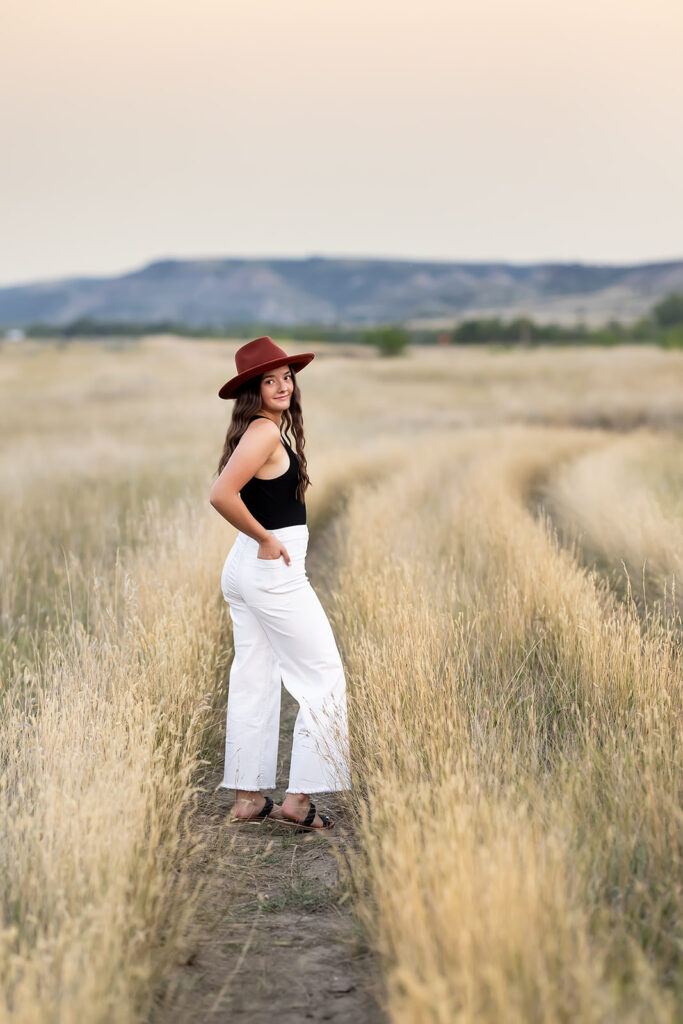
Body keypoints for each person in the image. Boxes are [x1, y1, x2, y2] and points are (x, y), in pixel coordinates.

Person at [209, 336, 352, 832]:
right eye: (269, 380)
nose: (282, 386)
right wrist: (266, 538)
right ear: (254, 389)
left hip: (247, 569)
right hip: (271, 568)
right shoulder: (265, 432)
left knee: (256, 674)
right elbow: (221, 494)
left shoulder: (262, 430)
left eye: (286, 377)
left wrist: (260, 543)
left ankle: (249, 797)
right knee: (325, 679)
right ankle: (298, 800)